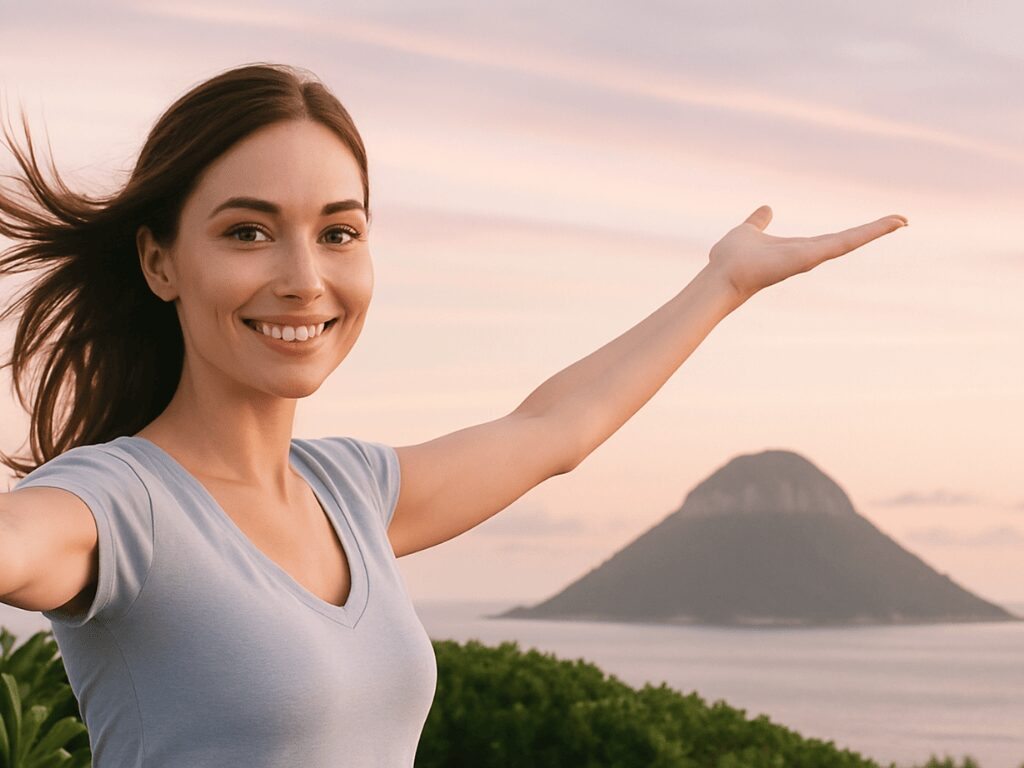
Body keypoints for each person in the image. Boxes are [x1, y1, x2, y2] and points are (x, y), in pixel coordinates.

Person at [0, 61, 907, 767]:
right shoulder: (115, 506)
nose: (304, 277)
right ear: (160, 263)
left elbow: (554, 431)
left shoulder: (351, 491)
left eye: (339, 231)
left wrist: (725, 281)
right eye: (248, 230)